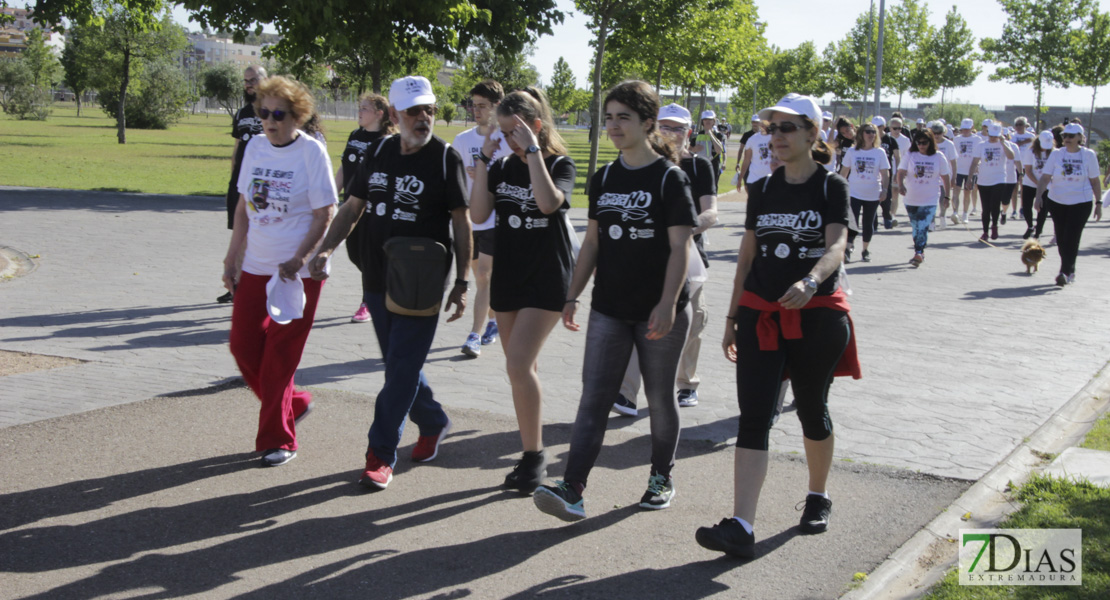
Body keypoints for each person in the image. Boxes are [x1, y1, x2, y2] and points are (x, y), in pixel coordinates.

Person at [695, 93, 859, 559]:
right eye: (772, 128)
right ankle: (741, 526)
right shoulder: (763, 189)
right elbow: (748, 256)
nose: (777, 136)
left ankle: (817, 495)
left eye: (788, 128)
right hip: (761, 315)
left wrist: (811, 280)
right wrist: (730, 318)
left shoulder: (830, 187)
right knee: (754, 415)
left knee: (811, 409)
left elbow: (837, 245)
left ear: (813, 133)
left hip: (818, 315)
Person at [533, 80, 696, 521]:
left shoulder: (669, 178)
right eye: (609, 117)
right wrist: (572, 294)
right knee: (594, 398)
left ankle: (661, 476)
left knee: (661, 399)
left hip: (659, 311)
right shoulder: (604, 177)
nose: (614, 126)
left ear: (647, 122)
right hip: (609, 307)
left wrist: (667, 302)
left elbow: (680, 247)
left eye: (624, 117)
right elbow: (591, 244)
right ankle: (573, 488)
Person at [309, 75, 471, 490]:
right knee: (400, 366)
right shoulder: (379, 150)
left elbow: (461, 222)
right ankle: (433, 421)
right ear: (395, 115)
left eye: (429, 109)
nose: (424, 117)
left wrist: (463, 280)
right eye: (415, 110)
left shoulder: (443, 158)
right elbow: (351, 208)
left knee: (400, 369)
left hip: (422, 281)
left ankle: (380, 454)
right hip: (376, 275)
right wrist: (326, 250)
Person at [222, 75, 338, 467]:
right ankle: (296, 403)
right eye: (262, 112)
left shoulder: (311, 153)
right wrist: (231, 259)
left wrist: (299, 260)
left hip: (296, 273)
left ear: (298, 116)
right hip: (255, 265)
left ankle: (279, 439)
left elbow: (326, 214)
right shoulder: (254, 147)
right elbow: (243, 209)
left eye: (278, 113)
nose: (268, 120)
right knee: (242, 345)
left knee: (279, 359)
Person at [468, 89, 577, 494]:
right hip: (509, 276)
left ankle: (534, 460)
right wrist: (483, 157)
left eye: (515, 131)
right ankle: (531, 453)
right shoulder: (499, 167)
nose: (509, 140)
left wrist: (532, 153)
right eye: (503, 132)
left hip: (547, 276)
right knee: (521, 370)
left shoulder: (559, 164)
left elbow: (548, 204)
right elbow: (478, 214)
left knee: (517, 365)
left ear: (534, 126)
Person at [614, 103, 718, 415]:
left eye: (678, 128)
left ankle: (686, 384)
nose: (672, 134)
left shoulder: (699, 167)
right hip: (645, 259)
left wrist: (681, 229)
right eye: (666, 127)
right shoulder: (642, 163)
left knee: (691, 323)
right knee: (636, 322)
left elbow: (711, 211)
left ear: (689, 132)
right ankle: (626, 394)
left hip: (689, 259)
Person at [453, 80, 513, 357]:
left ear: (497, 107)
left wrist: (487, 178)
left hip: (495, 220)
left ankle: (473, 335)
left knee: (485, 276)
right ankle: (492, 320)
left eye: (482, 106)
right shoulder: (463, 140)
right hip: (469, 221)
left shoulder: (506, 141)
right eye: (473, 105)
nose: (476, 111)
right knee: (480, 278)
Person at [335, 93, 396, 324]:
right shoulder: (355, 135)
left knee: (369, 256)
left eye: (365, 108)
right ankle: (383, 281)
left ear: (380, 114)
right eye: (359, 107)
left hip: (374, 210)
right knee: (354, 253)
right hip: (351, 206)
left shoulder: (387, 141)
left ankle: (367, 302)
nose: (359, 112)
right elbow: (345, 167)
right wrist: (332, 193)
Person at [219, 65, 267, 304]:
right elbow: (237, 147)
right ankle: (235, 284)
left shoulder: (271, 111)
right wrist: (233, 177)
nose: (248, 84)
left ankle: (252, 285)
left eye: (253, 79)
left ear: (265, 80)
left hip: (262, 184)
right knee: (238, 233)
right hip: (240, 182)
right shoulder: (242, 113)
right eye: (246, 80)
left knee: (256, 234)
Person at [1035, 123, 1103, 286]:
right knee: (1061, 239)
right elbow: (1045, 178)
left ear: (1080, 138)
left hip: (1081, 202)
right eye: (1064, 136)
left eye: (1071, 136)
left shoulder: (1088, 155)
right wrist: (1038, 197)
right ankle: (1069, 269)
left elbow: (1095, 181)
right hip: (1057, 201)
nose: (1067, 139)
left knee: (1072, 237)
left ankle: (1064, 272)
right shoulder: (1056, 155)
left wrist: (1099, 203)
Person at [897, 130, 951, 266]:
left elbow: (945, 177)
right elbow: (901, 171)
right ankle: (920, 250)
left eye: (924, 143)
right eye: (918, 142)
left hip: (930, 199)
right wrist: (900, 185)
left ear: (930, 142)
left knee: (923, 226)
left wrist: (947, 196)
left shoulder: (938, 156)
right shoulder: (910, 155)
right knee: (916, 226)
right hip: (911, 198)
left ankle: (918, 252)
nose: (921, 145)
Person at [840, 122, 890, 262]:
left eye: (873, 132)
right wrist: (838, 190)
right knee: (852, 221)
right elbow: (844, 172)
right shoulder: (852, 151)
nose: (871, 134)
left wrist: (885, 190)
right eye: (868, 131)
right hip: (854, 192)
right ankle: (849, 248)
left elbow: (885, 174)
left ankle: (865, 249)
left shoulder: (879, 152)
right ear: (861, 133)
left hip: (873, 193)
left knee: (868, 223)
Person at [968, 122, 1014, 241]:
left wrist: (1003, 143)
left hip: (999, 179)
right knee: (985, 208)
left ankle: (994, 226)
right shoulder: (981, 145)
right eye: (991, 135)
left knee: (995, 205)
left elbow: (1011, 156)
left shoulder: (1004, 144)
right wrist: (969, 178)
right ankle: (985, 232)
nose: (993, 138)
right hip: (984, 180)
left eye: (996, 136)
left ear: (1000, 135)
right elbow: (974, 162)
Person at [1021, 130, 1056, 240]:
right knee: (1026, 206)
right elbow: (1028, 170)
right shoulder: (1030, 151)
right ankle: (1030, 226)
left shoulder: (1054, 152)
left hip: (1047, 185)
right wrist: (1039, 184)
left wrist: (1045, 185)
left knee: (1043, 209)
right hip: (1030, 183)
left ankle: (1038, 232)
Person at [930, 121, 959, 229]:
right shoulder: (929, 143)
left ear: (943, 132)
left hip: (945, 175)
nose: (937, 135)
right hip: (932, 176)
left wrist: (954, 177)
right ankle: (931, 221)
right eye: (934, 133)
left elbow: (953, 162)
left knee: (943, 198)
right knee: (931, 199)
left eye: (939, 133)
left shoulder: (949, 144)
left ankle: (942, 216)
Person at [873, 116, 901, 229]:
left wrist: (897, 172)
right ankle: (873, 222)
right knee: (873, 198)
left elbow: (897, 156)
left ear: (884, 127)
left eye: (879, 127)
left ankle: (887, 218)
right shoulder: (871, 139)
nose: (876, 129)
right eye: (874, 127)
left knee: (886, 197)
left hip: (886, 172)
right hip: (873, 172)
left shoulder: (890, 140)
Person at [739, 120, 772, 189]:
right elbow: (746, 160)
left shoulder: (775, 137)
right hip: (754, 178)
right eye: (762, 123)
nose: (763, 126)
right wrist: (740, 178)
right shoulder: (752, 139)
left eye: (766, 124)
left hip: (771, 179)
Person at [692, 110, 726, 176]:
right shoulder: (697, 136)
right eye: (705, 119)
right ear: (702, 121)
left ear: (714, 121)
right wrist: (694, 149)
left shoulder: (718, 135)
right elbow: (689, 151)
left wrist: (711, 135)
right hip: (700, 166)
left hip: (714, 167)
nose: (707, 121)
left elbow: (719, 151)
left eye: (710, 119)